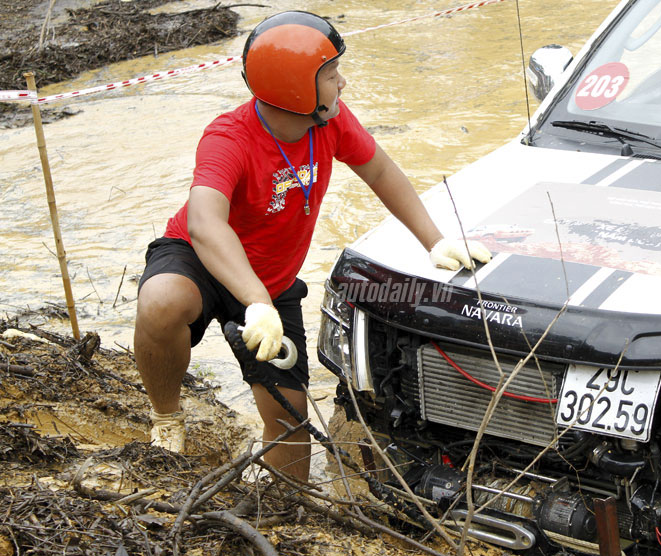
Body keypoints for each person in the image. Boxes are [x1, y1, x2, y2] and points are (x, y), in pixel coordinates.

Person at [134, 10, 491, 481]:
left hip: (273, 284)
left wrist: (436, 241)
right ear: (295, 86)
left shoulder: (331, 122)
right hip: (202, 262)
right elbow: (204, 223)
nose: (342, 84)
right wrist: (253, 301)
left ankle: (281, 505)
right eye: (331, 74)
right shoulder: (228, 137)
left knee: (291, 425)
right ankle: (166, 417)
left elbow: (381, 171)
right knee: (162, 301)